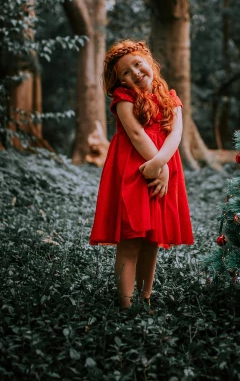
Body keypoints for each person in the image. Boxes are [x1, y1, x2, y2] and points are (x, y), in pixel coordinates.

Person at [89, 40, 194, 309]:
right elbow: (135, 134)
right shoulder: (124, 99)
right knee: (131, 237)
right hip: (133, 171)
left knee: (152, 240)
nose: (135, 72)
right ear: (120, 81)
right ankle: (125, 304)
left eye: (138, 64)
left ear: (149, 62)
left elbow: (176, 135)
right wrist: (157, 165)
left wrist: (162, 167)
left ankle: (145, 298)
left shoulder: (171, 98)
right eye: (126, 72)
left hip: (161, 168)